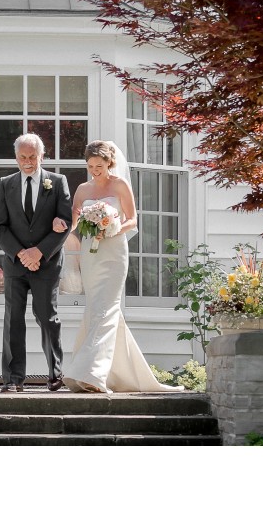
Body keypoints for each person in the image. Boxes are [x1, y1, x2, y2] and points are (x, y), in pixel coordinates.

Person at [52, 140, 184, 393]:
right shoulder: (82, 188)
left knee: (108, 307)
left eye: (99, 165)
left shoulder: (120, 185)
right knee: (96, 308)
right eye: (90, 166)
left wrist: (112, 227)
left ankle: (92, 373)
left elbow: (132, 220)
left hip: (114, 253)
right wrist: (60, 226)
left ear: (109, 163)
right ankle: (115, 373)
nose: (94, 170)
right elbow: (73, 221)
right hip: (91, 255)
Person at [0, 133, 72, 393]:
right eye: (23, 157)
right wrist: (21, 253)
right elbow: (0, 226)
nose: (27, 162)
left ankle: (55, 374)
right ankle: (13, 380)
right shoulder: (6, 183)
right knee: (13, 319)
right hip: (15, 264)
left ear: (42, 156)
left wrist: (39, 252)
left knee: (47, 317)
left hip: (46, 264)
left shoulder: (58, 182)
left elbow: (65, 224)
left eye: (32, 157)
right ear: (16, 157)